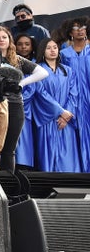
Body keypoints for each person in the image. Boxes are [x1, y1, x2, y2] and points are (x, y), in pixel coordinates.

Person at [0, 26, 47, 172]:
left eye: (4, 37)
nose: (1, 40)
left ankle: (9, 186)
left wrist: (21, 83)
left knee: (9, 148)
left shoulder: (17, 59)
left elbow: (42, 72)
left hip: (14, 104)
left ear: (9, 40)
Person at [31, 38, 81, 172]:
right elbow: (41, 94)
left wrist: (67, 114)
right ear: (42, 50)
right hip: (48, 119)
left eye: (55, 47)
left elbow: (74, 94)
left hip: (66, 121)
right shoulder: (37, 70)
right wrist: (60, 111)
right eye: (48, 48)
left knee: (68, 156)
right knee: (48, 155)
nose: (52, 50)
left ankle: (71, 185)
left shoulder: (68, 71)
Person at [58, 17, 90, 172]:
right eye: (76, 28)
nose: (80, 30)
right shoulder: (64, 53)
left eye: (83, 26)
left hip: (88, 99)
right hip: (72, 100)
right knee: (73, 134)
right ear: (70, 32)